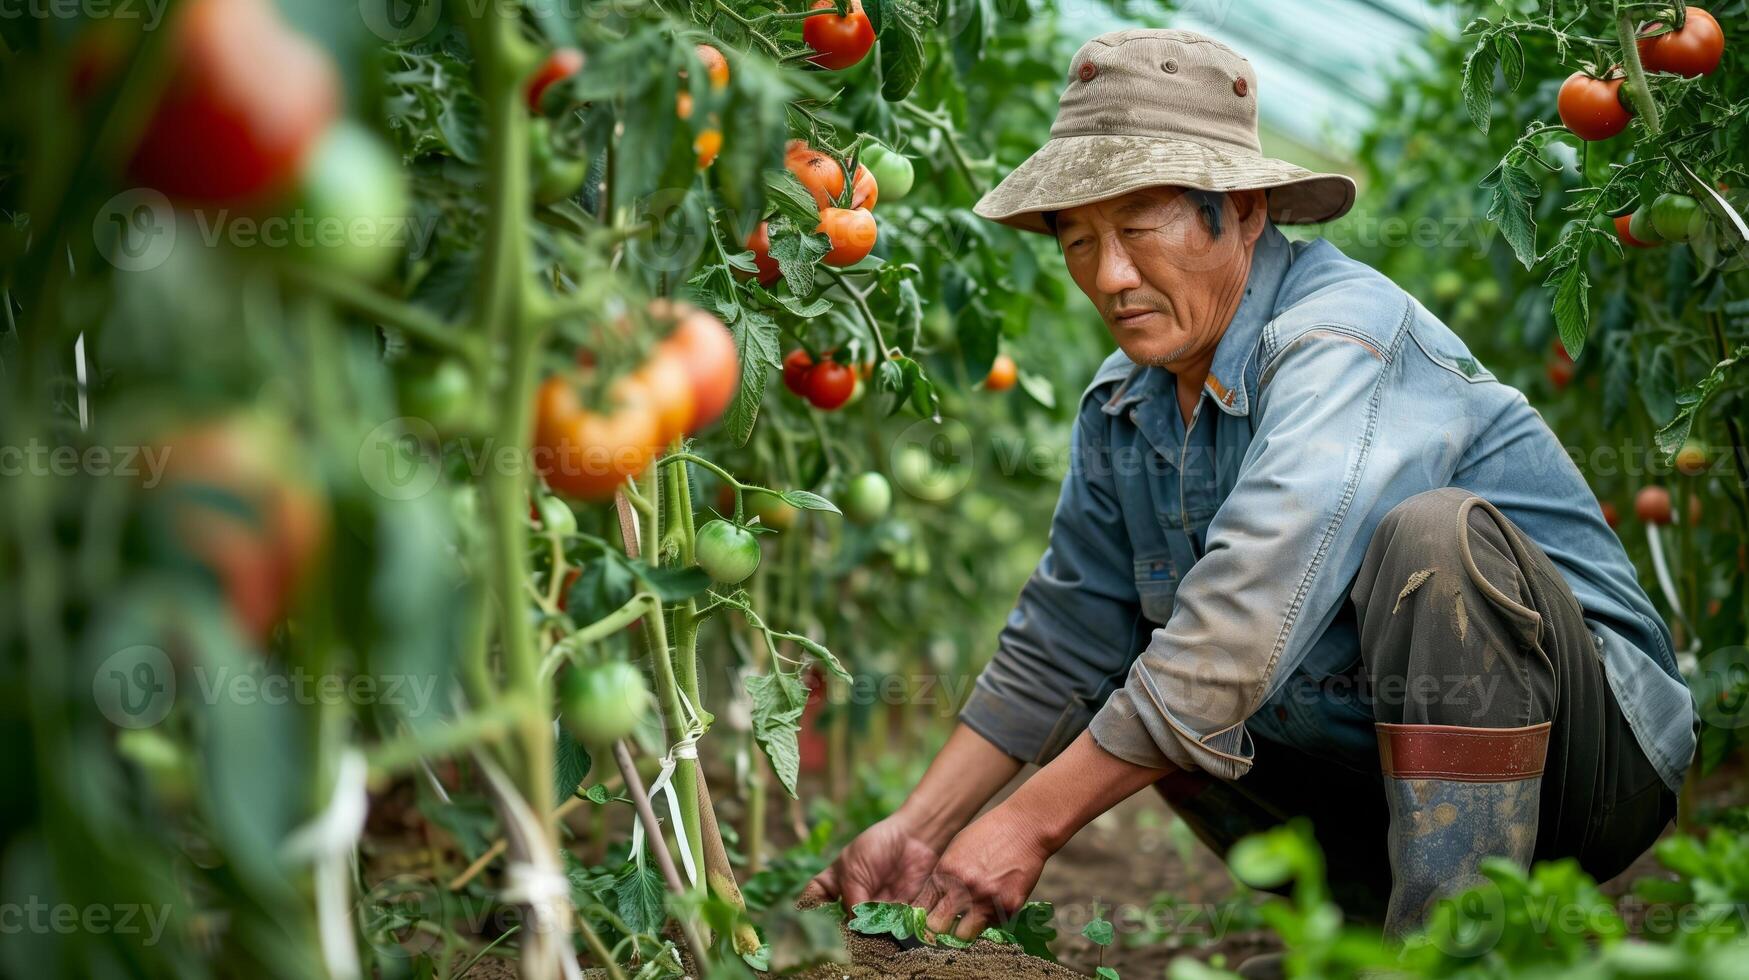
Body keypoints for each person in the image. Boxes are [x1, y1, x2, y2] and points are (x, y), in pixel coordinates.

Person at [803, 27, 1694, 959]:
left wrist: (1028, 824)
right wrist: (921, 829)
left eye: (1139, 229)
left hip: (1588, 765)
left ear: (1244, 211)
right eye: (1079, 240)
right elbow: (1061, 637)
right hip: (1375, 777)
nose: (1109, 277)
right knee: (1120, 652)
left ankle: (1454, 949)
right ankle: (1361, 924)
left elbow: (1246, 610)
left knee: (1430, 542)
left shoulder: (1339, 337)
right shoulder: (1124, 406)